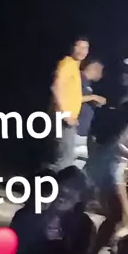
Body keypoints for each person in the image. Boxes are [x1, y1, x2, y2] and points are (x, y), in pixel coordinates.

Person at [85, 98, 128, 254]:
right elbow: (114, 145)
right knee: (119, 216)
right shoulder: (121, 123)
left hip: (113, 171)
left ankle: (97, 252)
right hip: (110, 172)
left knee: (119, 217)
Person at [50, 36, 90, 171]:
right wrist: (64, 114)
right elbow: (56, 88)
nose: (82, 51)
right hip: (63, 118)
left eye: (85, 48)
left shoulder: (75, 67)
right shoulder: (67, 63)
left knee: (65, 157)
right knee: (64, 159)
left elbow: (72, 96)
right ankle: (51, 183)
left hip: (69, 118)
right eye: (79, 47)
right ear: (72, 48)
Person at [74, 59, 106, 170]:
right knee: (75, 159)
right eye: (101, 70)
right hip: (75, 128)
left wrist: (93, 102)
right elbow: (71, 98)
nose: (101, 75)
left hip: (82, 129)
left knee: (80, 160)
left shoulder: (87, 83)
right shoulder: (78, 78)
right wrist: (93, 97)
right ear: (93, 67)